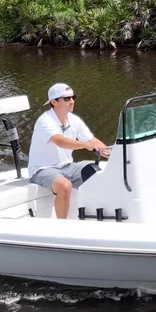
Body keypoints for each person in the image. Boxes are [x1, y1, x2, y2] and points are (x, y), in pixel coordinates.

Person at [28, 83, 110, 219]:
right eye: (66, 99)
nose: (72, 101)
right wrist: (86, 145)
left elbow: (93, 141)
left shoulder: (74, 120)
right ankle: (62, 227)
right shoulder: (45, 121)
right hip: (42, 169)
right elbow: (61, 141)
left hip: (67, 166)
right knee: (65, 185)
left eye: (73, 97)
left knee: (99, 173)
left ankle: (101, 217)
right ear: (54, 102)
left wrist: (115, 155)